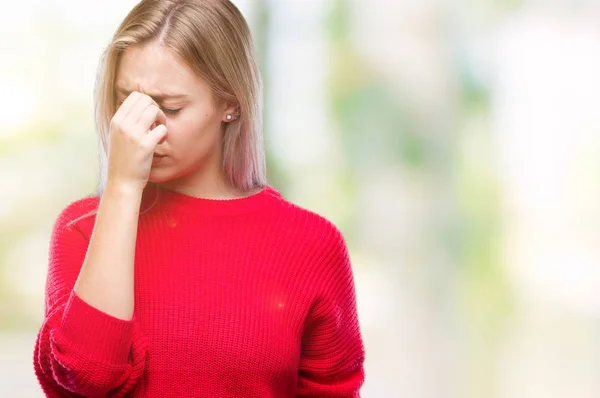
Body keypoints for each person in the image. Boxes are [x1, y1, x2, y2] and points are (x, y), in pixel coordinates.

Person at [33, 0, 365, 396]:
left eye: (170, 108)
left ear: (230, 103)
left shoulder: (311, 243)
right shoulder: (82, 228)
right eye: (127, 103)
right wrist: (122, 186)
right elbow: (87, 377)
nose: (142, 130)